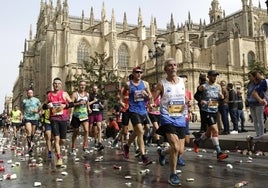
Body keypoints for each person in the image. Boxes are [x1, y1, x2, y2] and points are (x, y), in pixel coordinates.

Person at [153, 58, 186, 186]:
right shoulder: (161, 84)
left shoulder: (182, 81)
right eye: (170, 66)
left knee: (181, 150)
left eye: (175, 65)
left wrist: (187, 101)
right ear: (165, 69)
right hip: (167, 117)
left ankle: (162, 152)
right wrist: (151, 103)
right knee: (176, 147)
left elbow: (183, 96)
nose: (173, 67)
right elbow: (153, 97)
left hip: (181, 117)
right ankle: (173, 174)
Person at [193, 70, 228, 161]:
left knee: (208, 133)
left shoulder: (218, 86)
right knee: (215, 130)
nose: (214, 77)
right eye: (213, 76)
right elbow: (196, 96)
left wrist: (221, 97)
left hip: (214, 110)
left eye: (216, 76)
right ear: (208, 76)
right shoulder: (204, 86)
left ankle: (198, 141)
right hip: (206, 111)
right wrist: (201, 101)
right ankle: (219, 152)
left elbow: (219, 98)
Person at [121, 66, 153, 166]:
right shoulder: (128, 84)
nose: (139, 74)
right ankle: (144, 156)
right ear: (133, 73)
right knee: (140, 131)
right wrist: (122, 102)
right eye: (137, 72)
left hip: (143, 110)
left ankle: (127, 145)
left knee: (143, 129)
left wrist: (147, 97)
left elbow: (150, 96)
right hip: (133, 110)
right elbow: (121, 94)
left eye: (140, 72)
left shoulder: (145, 84)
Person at [43, 77, 73, 166]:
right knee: (56, 138)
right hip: (54, 119)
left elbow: (71, 103)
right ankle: (59, 158)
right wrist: (47, 106)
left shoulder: (64, 94)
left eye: (58, 83)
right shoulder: (49, 95)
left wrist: (65, 106)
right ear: (53, 85)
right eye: (55, 83)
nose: (56, 85)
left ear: (61, 85)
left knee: (62, 140)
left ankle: (56, 147)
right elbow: (44, 106)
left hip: (63, 119)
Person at [70, 80, 90, 155]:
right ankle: (73, 147)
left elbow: (87, 102)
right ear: (78, 86)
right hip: (76, 116)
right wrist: (78, 103)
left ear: (85, 86)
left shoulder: (87, 94)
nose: (82, 86)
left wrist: (89, 108)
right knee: (76, 131)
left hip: (84, 115)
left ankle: (85, 146)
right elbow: (71, 104)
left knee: (86, 130)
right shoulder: (75, 94)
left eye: (84, 85)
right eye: (81, 85)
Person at [178, 74, 193, 166]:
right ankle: (179, 157)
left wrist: (190, 112)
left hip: (186, 117)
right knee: (180, 139)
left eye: (186, 81)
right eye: (183, 80)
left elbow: (189, 105)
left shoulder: (188, 93)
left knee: (187, 140)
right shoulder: (176, 91)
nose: (184, 82)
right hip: (177, 118)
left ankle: (165, 152)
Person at [21, 89, 41, 155]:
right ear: (27, 94)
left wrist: (37, 111)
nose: (30, 94)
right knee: (29, 132)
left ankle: (31, 142)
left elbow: (40, 107)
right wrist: (22, 115)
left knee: (32, 133)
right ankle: (30, 147)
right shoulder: (24, 101)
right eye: (28, 93)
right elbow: (22, 108)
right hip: (27, 118)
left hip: (35, 118)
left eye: (31, 93)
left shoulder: (37, 100)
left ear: (33, 93)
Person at [247, 70, 265, 137]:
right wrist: (248, 100)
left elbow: (262, 93)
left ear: (254, 76)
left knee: (260, 119)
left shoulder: (260, 83)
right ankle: (257, 134)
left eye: (250, 76)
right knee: (254, 120)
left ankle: (261, 134)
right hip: (251, 103)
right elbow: (248, 93)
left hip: (258, 103)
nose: (249, 77)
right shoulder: (249, 84)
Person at [88, 85, 105, 151]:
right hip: (92, 113)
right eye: (93, 89)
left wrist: (100, 104)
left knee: (99, 127)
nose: (95, 90)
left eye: (96, 89)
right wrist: (93, 101)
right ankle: (94, 138)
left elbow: (103, 106)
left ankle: (99, 142)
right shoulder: (90, 96)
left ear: (97, 89)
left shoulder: (100, 96)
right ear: (92, 89)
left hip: (98, 113)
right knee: (90, 127)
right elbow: (88, 104)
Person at [251, 71, 267, 137]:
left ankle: (261, 134)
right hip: (254, 104)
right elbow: (254, 93)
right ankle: (259, 134)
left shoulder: (264, 82)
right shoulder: (264, 82)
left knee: (260, 119)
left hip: (259, 104)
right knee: (256, 120)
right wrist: (260, 100)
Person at [147, 83, 161, 147]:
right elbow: (147, 103)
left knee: (155, 129)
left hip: (159, 112)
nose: (156, 89)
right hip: (152, 113)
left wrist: (158, 105)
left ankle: (149, 137)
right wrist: (149, 105)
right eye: (154, 87)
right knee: (156, 127)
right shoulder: (150, 95)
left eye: (157, 87)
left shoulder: (160, 95)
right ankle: (158, 143)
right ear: (152, 88)